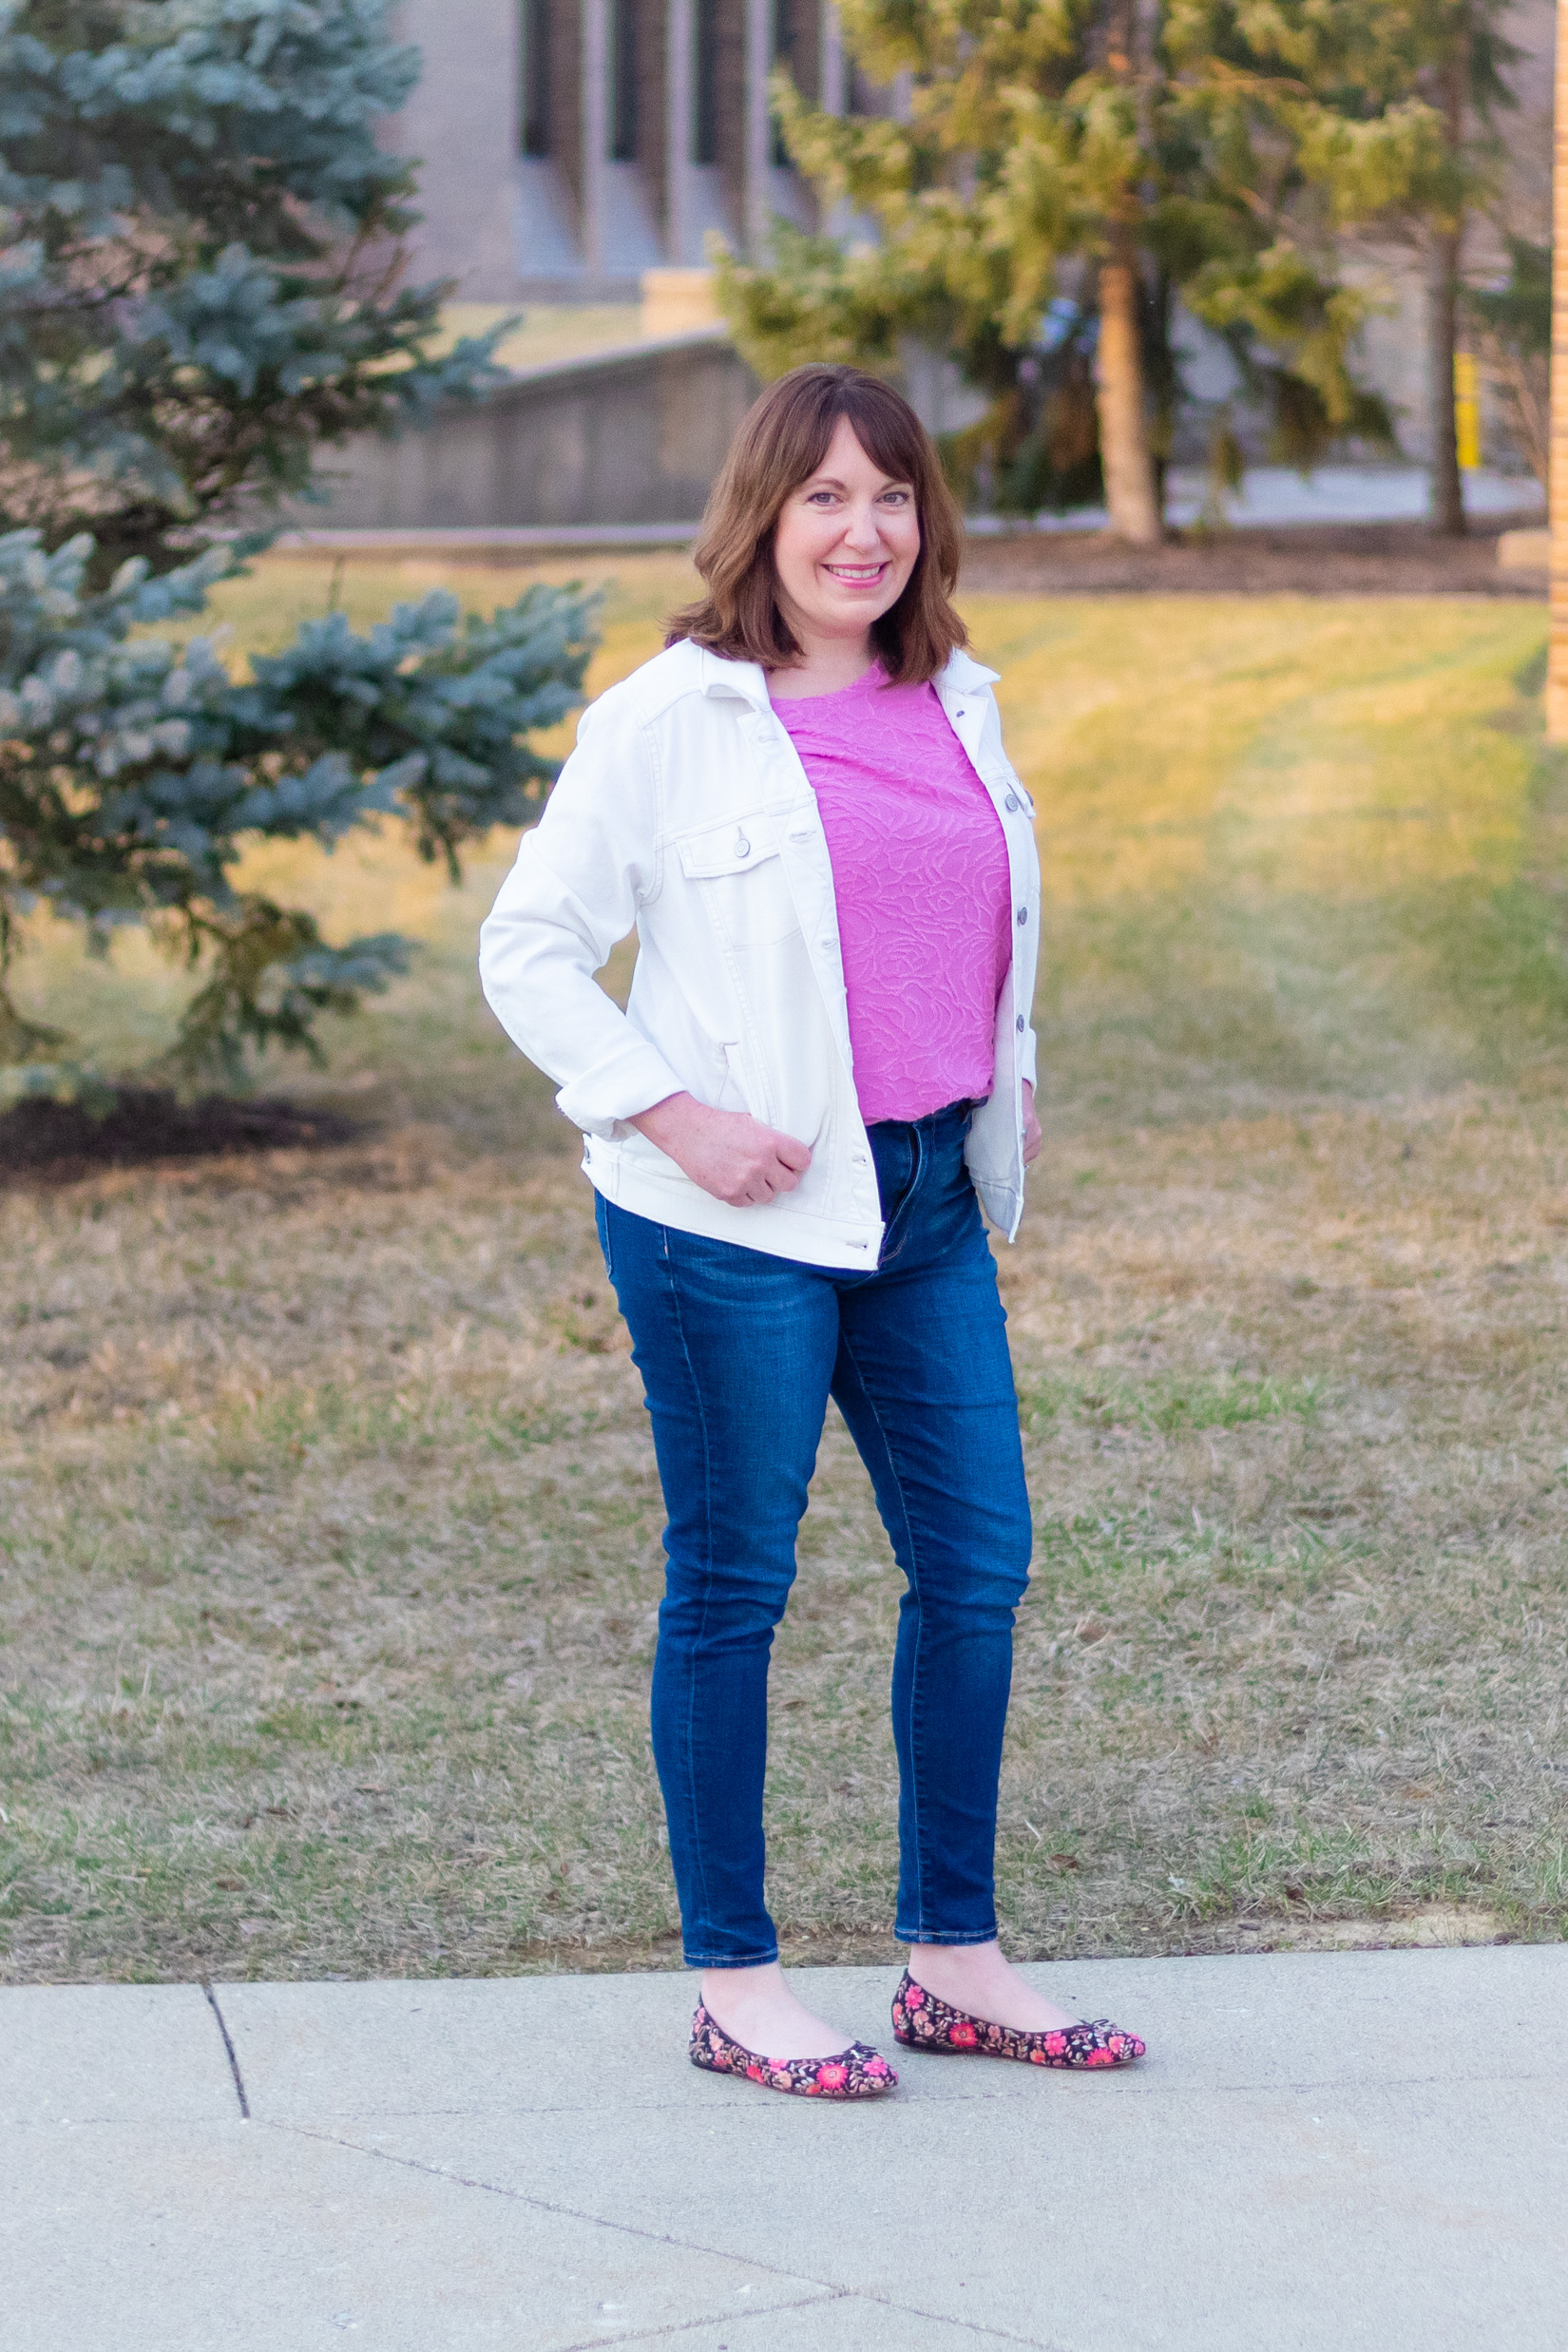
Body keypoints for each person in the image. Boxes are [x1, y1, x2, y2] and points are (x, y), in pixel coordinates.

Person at [479, 363, 1145, 2098]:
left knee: (977, 1565)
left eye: (893, 497)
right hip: (728, 1219)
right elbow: (529, 948)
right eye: (824, 498)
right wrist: (667, 1109)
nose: (862, 532)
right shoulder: (674, 715)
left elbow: (965, 947)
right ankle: (736, 1981)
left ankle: (951, 1959)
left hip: (923, 1201)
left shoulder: (956, 702)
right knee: (736, 1584)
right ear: (760, 519)